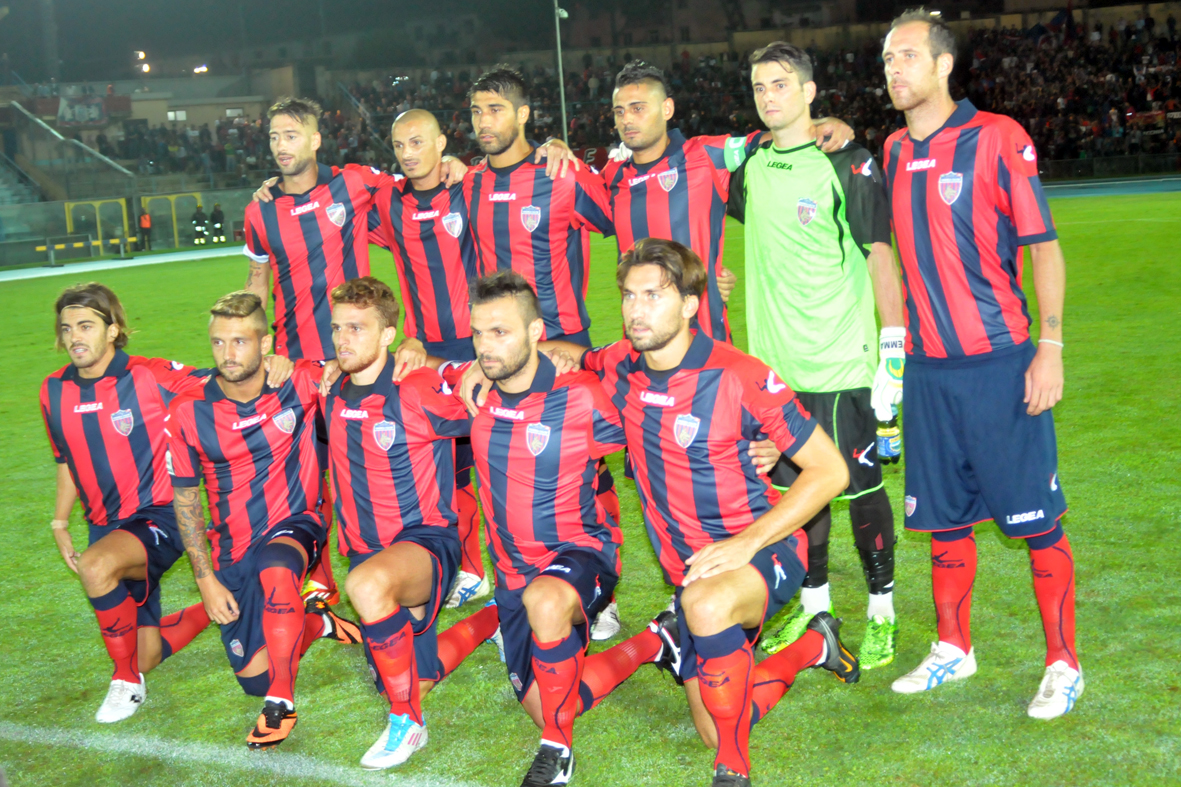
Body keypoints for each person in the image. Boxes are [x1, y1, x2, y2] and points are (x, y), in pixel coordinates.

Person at [558, 240, 860, 787]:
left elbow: (831, 471)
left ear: (692, 304)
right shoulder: (622, 366)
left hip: (760, 549)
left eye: (654, 295)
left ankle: (733, 772)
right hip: (690, 567)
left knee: (706, 604)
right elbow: (566, 356)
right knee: (720, 722)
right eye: (629, 295)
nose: (636, 309)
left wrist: (746, 543)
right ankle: (817, 645)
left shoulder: (740, 374)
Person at [880, 9, 1079, 719]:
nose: (893, 70)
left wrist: (1048, 348)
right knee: (942, 520)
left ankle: (1062, 663)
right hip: (931, 374)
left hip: (1000, 364)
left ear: (941, 66)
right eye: (886, 60)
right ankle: (952, 647)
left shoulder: (997, 138)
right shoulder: (893, 151)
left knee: (1035, 522)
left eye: (905, 56)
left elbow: (1043, 248)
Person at [442, 271, 680, 787]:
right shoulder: (475, 391)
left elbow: (666, 413)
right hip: (512, 575)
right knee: (557, 701)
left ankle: (557, 752)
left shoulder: (582, 396)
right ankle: (656, 641)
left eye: (500, 332)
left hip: (580, 554)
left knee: (548, 607)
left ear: (535, 333)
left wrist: (762, 446)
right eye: (479, 332)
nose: (486, 346)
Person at [725, 42, 906, 670]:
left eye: (780, 84)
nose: (768, 95)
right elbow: (687, 164)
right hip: (773, 370)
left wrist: (893, 349)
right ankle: (814, 602)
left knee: (859, 488)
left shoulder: (849, 163)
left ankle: (882, 611)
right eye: (758, 86)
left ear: (808, 91)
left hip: (839, 362)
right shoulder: (748, 164)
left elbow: (880, 254)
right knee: (799, 493)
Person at [464, 66, 623, 638]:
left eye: (497, 109)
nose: (486, 121)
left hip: (564, 349)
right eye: (478, 111)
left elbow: (623, 219)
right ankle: (525, 569)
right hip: (505, 352)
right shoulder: (470, 182)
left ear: (524, 114)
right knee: (518, 470)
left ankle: (600, 591)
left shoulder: (560, 174)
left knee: (591, 470)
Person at [167, 291, 361, 748]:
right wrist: (206, 581)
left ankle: (280, 704)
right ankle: (315, 623)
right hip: (233, 548)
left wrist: (406, 350)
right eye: (218, 343)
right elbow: (185, 500)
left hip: (297, 524)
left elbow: (355, 360)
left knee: (276, 568)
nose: (227, 354)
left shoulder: (298, 382)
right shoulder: (189, 411)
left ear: (264, 342)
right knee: (254, 675)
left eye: (239, 341)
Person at [322, 277, 499, 769]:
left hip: (424, 544)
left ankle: (408, 724)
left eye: (357, 328)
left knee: (366, 585)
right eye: (338, 328)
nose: (343, 339)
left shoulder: (416, 386)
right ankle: (498, 617)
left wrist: (455, 365)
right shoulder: (328, 387)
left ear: (387, 335)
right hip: (366, 550)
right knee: (414, 674)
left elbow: (486, 372)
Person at [40, 283, 217, 723]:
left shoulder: (148, 374)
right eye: (66, 329)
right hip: (105, 526)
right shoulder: (52, 391)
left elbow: (224, 378)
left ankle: (125, 684)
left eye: (86, 325)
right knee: (147, 653)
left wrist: (273, 363)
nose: (74, 337)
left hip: (159, 515)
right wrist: (60, 524)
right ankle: (228, 600)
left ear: (113, 330)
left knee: (97, 567)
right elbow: (66, 460)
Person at [602, 60, 855, 342]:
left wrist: (821, 124)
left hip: (707, 342)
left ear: (667, 109)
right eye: (619, 111)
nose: (626, 119)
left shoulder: (706, 155)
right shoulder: (611, 178)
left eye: (638, 108)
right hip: (639, 347)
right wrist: (555, 146)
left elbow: (768, 139)